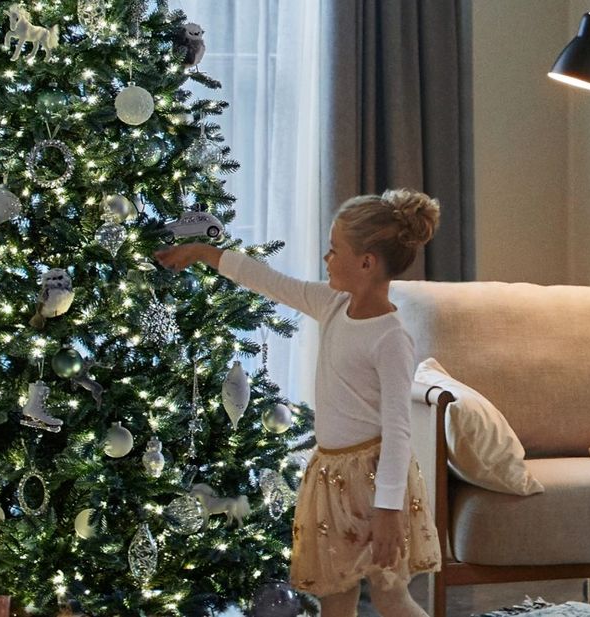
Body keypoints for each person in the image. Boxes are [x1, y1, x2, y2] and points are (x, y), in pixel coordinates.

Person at [155, 189, 442, 616]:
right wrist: (204, 253)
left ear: (366, 263)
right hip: (329, 476)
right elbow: (271, 282)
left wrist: (387, 510)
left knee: (390, 596)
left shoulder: (391, 338)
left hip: (376, 481)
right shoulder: (332, 305)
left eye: (334, 251)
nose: (326, 259)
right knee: (335, 598)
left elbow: (399, 429)